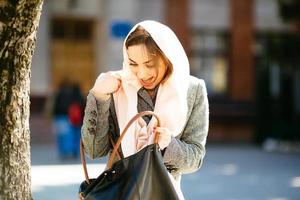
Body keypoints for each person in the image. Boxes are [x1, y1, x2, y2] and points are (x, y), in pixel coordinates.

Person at [81, 20, 209, 199]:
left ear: (167, 58)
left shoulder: (192, 89)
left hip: (164, 192)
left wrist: (168, 145)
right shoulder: (117, 85)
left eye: (149, 65)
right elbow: (94, 151)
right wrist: (99, 97)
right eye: (133, 64)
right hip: (120, 193)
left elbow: (196, 159)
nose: (141, 73)